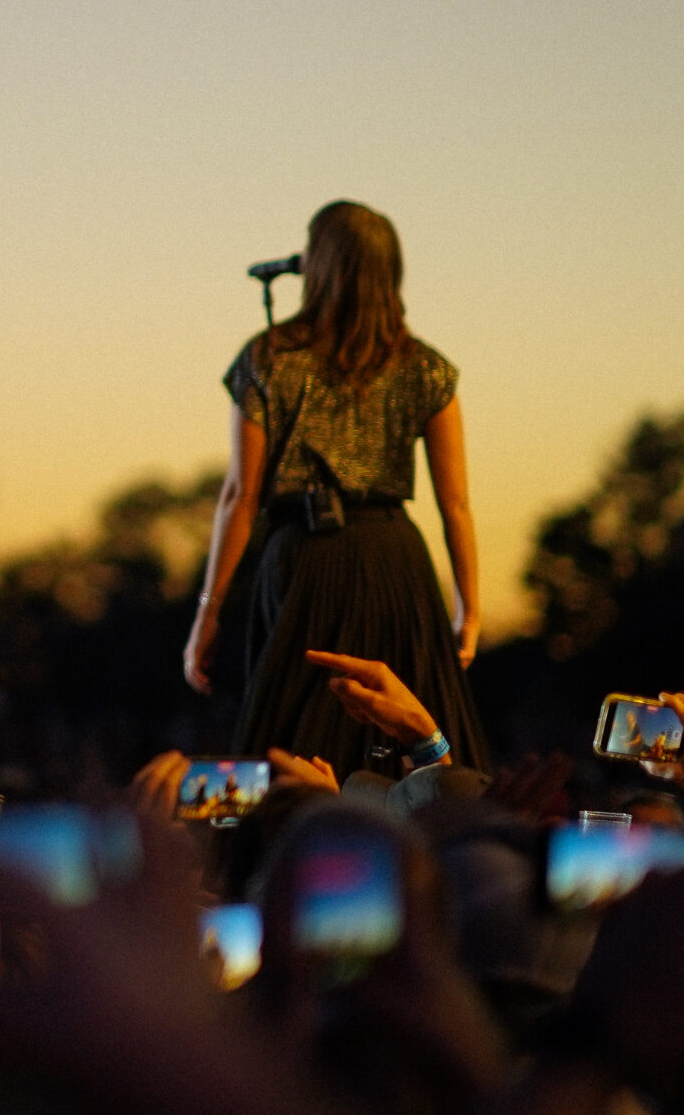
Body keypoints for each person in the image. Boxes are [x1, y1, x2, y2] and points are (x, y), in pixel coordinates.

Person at [185, 200, 486, 776]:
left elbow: (239, 496)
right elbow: (457, 505)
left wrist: (208, 610)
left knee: (292, 732)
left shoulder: (268, 358)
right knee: (406, 734)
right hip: (396, 563)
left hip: (304, 561)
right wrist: (467, 609)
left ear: (316, 264)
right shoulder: (426, 368)